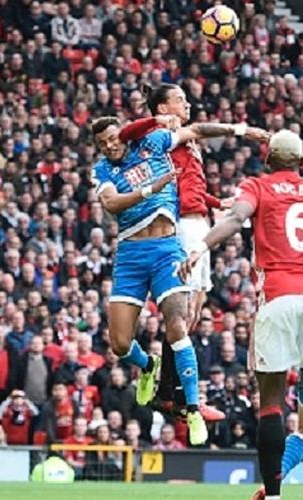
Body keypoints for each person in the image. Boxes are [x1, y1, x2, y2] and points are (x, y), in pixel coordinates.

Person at [91, 116, 267, 446]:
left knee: (177, 325)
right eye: (102, 143)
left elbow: (197, 130)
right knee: (118, 343)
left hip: (166, 249)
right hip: (130, 256)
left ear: (124, 135)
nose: (110, 145)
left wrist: (242, 130)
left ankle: (192, 408)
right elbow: (111, 203)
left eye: (113, 138)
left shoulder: (153, 144)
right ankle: (147, 365)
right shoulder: (102, 170)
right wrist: (150, 189)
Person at [181, 129, 300, 500]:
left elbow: (235, 220)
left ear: (268, 159)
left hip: (278, 298)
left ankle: (275, 495)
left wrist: (201, 246)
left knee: (271, 403)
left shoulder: (258, 186)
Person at [118, 83, 236, 424]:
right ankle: (179, 399)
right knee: (180, 316)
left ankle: (169, 393)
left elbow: (191, 185)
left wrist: (217, 202)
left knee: (194, 313)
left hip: (200, 223)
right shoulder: (160, 135)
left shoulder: (187, 140)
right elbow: (129, 134)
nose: (187, 103)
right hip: (180, 226)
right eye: (179, 99)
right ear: (162, 108)